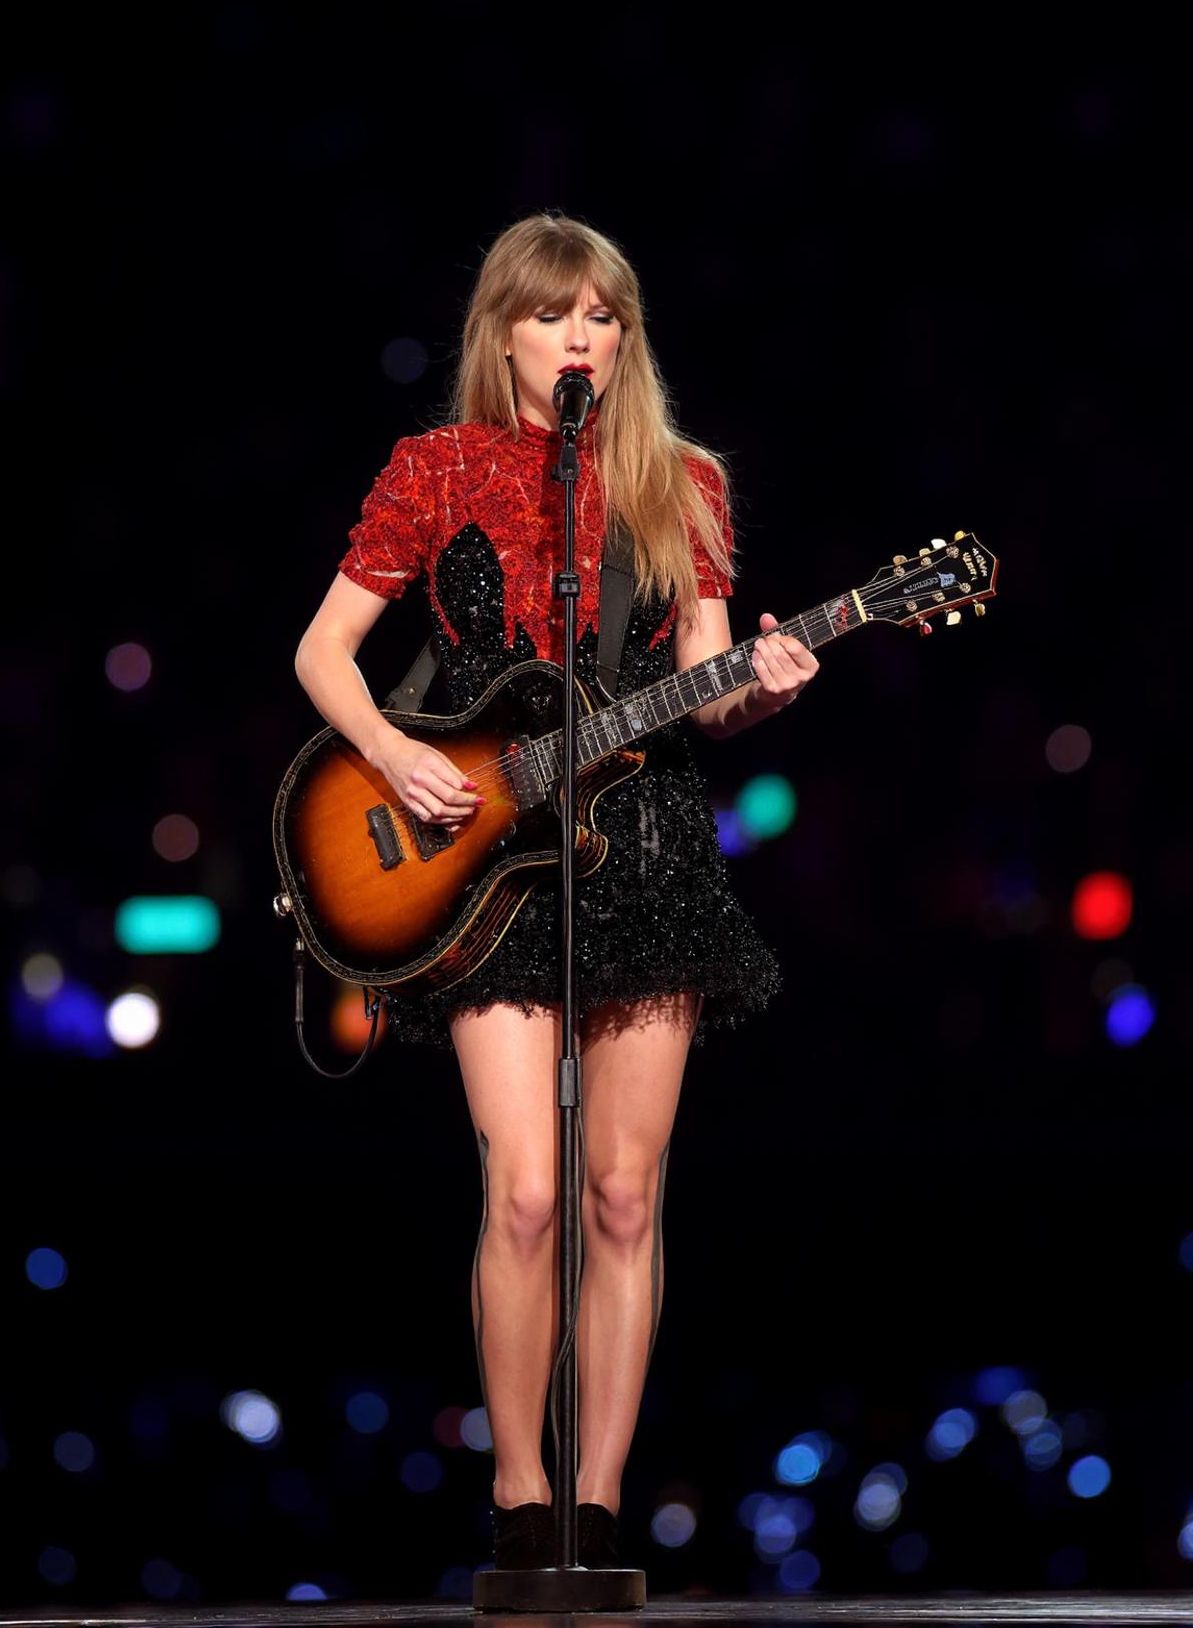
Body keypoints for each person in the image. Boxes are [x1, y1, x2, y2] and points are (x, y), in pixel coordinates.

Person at [293, 213, 820, 1571]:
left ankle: (599, 1495)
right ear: (504, 335)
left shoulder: (680, 482)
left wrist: (761, 682)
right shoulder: (439, 467)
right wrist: (399, 755)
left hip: (644, 848)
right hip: (486, 861)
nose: (579, 338)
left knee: (624, 1196)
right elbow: (325, 654)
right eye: (553, 315)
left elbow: (711, 686)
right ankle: (519, 1493)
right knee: (524, 1189)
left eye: (603, 317)